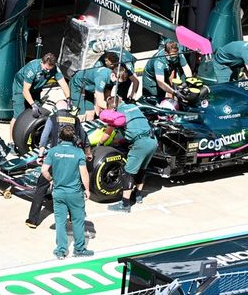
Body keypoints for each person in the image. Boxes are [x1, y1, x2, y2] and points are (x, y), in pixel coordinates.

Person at [26, 100, 91, 229]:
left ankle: (32, 220)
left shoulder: (52, 118)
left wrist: (40, 154)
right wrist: (88, 153)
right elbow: (84, 138)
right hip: (72, 158)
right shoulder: (75, 119)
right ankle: (73, 217)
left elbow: (44, 137)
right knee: (73, 186)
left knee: (41, 188)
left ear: (56, 108)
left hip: (55, 157)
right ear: (68, 109)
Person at [41, 125, 94, 259]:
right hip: (74, 193)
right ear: (74, 138)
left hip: (58, 193)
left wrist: (51, 180)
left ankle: (61, 250)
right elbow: (84, 174)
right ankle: (79, 249)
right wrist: (87, 189)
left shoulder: (53, 152)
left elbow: (44, 170)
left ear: (60, 137)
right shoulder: (78, 153)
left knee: (60, 222)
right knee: (77, 221)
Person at [100, 97, 158, 212]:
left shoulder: (117, 114)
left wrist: (100, 144)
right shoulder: (132, 107)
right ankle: (138, 196)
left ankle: (125, 205)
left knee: (128, 173)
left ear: (111, 107)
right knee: (142, 169)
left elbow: (108, 132)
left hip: (140, 144)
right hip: (152, 141)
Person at [10, 53, 70, 138]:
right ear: (42, 62)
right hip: (21, 88)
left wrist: (68, 98)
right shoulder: (32, 69)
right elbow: (25, 90)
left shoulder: (55, 69)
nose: (48, 71)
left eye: (50, 69)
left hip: (36, 88)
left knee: (38, 112)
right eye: (46, 69)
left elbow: (63, 84)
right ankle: (11, 141)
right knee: (18, 115)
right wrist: (32, 104)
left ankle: (31, 133)